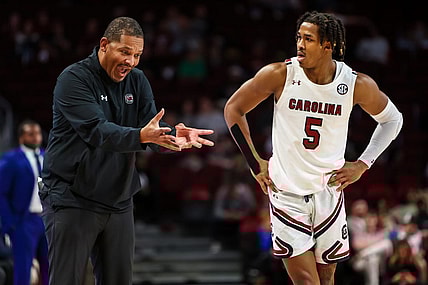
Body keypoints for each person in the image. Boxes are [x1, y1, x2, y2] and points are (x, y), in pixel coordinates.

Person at [224, 10, 403, 285]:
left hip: (329, 193)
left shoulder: (355, 84)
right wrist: (255, 163)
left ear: (327, 45)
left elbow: (393, 119)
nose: (299, 44)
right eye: (298, 37)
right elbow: (234, 109)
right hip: (287, 193)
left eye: (308, 39)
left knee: (326, 278)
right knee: (307, 283)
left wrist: (363, 164)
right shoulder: (280, 74)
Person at [40, 16, 215, 285]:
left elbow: (149, 127)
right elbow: (97, 131)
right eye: (125, 52)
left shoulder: (137, 80)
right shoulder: (73, 79)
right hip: (72, 198)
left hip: (118, 199)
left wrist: (171, 137)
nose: (130, 62)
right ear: (104, 45)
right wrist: (142, 136)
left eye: (137, 55)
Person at [0, 119, 49, 285]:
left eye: (37, 134)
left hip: (47, 218)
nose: (35, 137)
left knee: (51, 265)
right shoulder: (11, 160)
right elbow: (2, 193)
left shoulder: (47, 157)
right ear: (21, 138)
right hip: (24, 220)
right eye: (30, 134)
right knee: (24, 267)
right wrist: (10, 223)